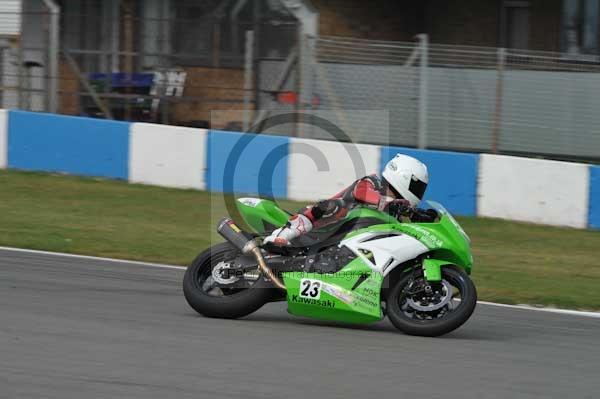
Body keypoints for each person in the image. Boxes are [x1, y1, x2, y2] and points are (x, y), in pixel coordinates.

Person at [264, 154, 433, 246]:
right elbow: (362, 192)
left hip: (343, 244)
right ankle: (284, 234)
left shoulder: (395, 211)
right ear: (403, 177)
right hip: (321, 226)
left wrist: (422, 218)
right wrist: (384, 201)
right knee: (335, 206)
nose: (419, 193)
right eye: (417, 187)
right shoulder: (373, 182)